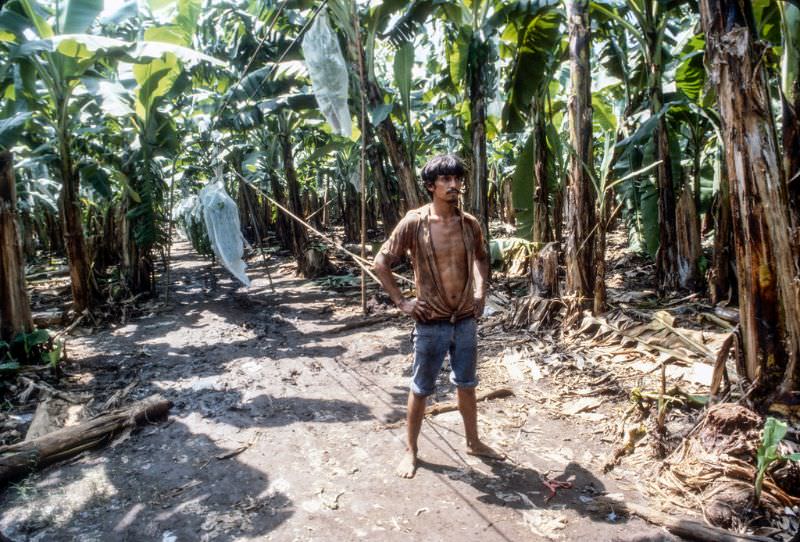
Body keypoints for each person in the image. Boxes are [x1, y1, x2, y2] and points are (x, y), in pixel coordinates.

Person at [373, 154, 504, 479]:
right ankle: (412, 451)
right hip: (431, 321)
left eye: (457, 179)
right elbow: (381, 262)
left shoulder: (469, 224)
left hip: (464, 320)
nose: (454, 185)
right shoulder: (414, 222)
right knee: (421, 388)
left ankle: (473, 442)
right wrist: (402, 302)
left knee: (467, 384)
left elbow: (482, 259)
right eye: (445, 180)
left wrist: (480, 293)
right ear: (431, 186)